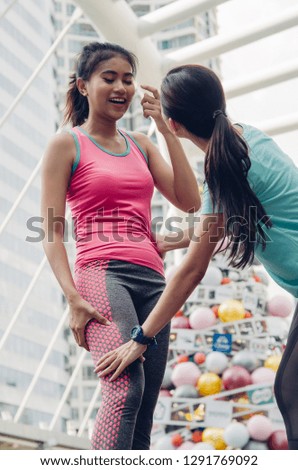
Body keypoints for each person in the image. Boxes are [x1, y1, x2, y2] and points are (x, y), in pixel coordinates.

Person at [95, 64, 298, 449]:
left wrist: (142, 337)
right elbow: (216, 224)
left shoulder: (223, 170)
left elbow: (192, 270)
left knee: (291, 392)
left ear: (174, 125)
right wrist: (160, 241)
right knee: (290, 390)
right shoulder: (246, 141)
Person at [41, 43, 200, 450]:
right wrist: (73, 297)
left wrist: (165, 130)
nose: (121, 87)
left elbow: (190, 200)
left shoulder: (142, 145)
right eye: (108, 78)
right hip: (102, 274)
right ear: (83, 85)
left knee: (146, 402)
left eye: (127, 79)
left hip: (154, 280)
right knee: (124, 387)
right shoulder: (67, 144)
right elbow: (52, 231)